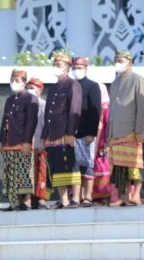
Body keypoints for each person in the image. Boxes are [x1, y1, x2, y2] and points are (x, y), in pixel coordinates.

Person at [40, 51, 82, 208]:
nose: (56, 67)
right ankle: (63, 200)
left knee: (71, 165)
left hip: (65, 133)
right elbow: (48, 114)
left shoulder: (73, 85)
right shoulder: (53, 88)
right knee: (56, 167)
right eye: (55, 64)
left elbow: (74, 109)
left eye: (59, 65)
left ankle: (76, 198)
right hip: (52, 134)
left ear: (67, 67)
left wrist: (71, 133)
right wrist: (45, 134)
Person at [108, 50, 144, 207]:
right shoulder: (114, 82)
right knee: (119, 168)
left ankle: (136, 195)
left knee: (135, 166)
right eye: (117, 60)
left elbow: (142, 107)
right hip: (116, 132)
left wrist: (139, 130)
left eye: (122, 60)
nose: (119, 62)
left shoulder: (138, 79)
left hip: (131, 131)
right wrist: (109, 134)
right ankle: (122, 197)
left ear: (130, 62)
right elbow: (111, 109)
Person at [0, 69, 38, 211]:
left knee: (24, 172)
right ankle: (14, 203)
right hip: (9, 142)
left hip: (22, 142)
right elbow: (4, 120)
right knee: (10, 173)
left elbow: (31, 122)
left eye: (17, 80)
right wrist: (1, 141)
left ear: (24, 83)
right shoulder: (10, 100)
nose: (14, 83)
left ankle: (26, 202)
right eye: (12, 80)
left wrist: (27, 142)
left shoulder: (30, 98)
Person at [69, 57, 102, 207]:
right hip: (71, 134)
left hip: (86, 132)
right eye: (75, 67)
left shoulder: (92, 86)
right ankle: (76, 196)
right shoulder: (69, 86)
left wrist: (91, 132)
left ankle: (88, 196)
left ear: (86, 68)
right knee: (74, 166)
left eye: (80, 67)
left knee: (87, 164)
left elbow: (96, 111)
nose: (77, 70)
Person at [26, 78, 48, 208]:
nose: (30, 90)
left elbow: (46, 126)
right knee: (27, 172)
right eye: (28, 87)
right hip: (25, 144)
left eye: (33, 88)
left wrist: (43, 143)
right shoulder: (23, 104)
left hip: (40, 143)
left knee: (41, 172)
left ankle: (41, 200)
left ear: (40, 90)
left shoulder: (44, 104)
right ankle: (27, 200)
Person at [92, 82, 112, 202]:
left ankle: (104, 197)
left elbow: (108, 126)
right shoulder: (93, 107)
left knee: (102, 169)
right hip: (91, 143)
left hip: (102, 144)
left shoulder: (106, 108)